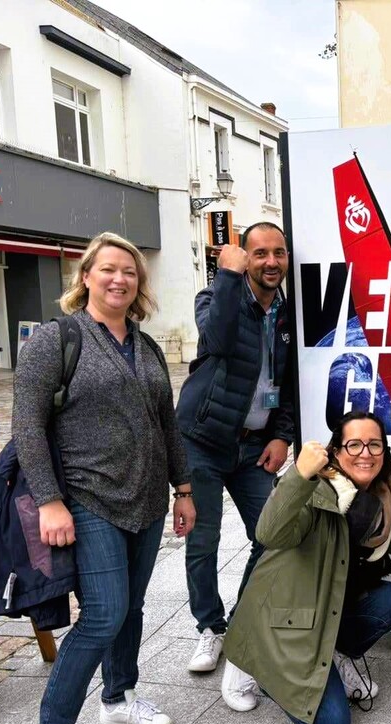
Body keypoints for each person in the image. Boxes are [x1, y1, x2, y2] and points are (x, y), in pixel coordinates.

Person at [13, 231, 196, 724]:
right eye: (109, 269)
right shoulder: (56, 340)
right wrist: (49, 500)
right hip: (88, 500)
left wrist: (182, 488)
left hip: (144, 501)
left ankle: (117, 699)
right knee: (103, 614)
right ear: (86, 276)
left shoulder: (144, 346)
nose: (120, 279)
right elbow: (27, 425)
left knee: (132, 609)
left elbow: (167, 424)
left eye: (131, 272)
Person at [222, 410, 391, 724]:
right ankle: (255, 661)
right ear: (335, 452)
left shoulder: (376, 496)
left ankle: (335, 654)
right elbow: (269, 533)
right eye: (354, 444)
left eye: (374, 445)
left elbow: (386, 543)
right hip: (286, 622)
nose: (365, 453)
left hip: (327, 611)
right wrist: (300, 475)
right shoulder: (315, 492)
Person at [175, 222, 296, 681]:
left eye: (278, 253)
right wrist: (224, 277)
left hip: (255, 448)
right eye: (259, 253)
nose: (270, 262)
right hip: (203, 441)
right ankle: (210, 626)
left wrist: (281, 435)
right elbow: (217, 341)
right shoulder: (214, 297)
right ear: (244, 258)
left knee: (272, 535)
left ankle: (243, 621)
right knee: (202, 542)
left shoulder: (288, 314)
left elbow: (289, 386)